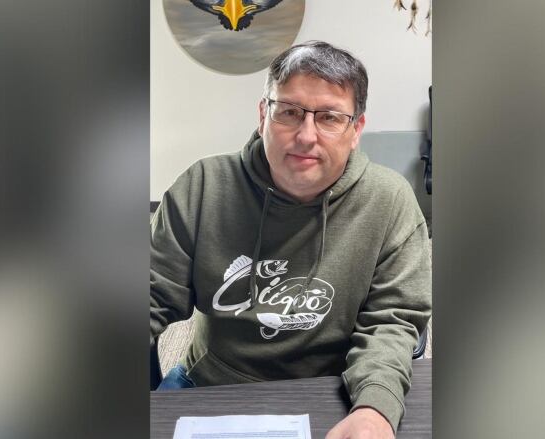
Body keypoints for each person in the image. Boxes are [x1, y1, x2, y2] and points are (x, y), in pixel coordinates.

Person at [150, 40, 431, 438]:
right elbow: (149, 296)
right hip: (210, 384)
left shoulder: (390, 201)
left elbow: (391, 321)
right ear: (263, 114)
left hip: (333, 389)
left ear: (356, 130)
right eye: (290, 112)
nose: (306, 135)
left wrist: (375, 407)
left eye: (330, 117)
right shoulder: (203, 186)